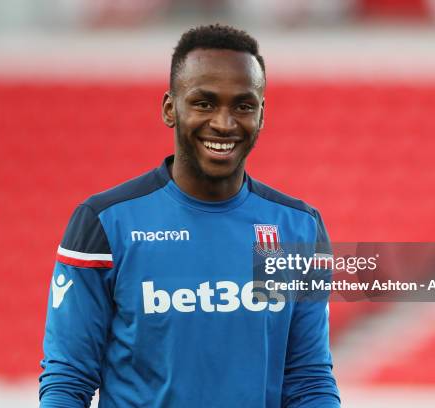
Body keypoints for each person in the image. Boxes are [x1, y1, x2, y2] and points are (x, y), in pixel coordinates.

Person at [39, 24, 340, 407]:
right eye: (204, 103)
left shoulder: (298, 228)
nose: (224, 123)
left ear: (262, 115)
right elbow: (68, 379)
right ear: (170, 108)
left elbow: (308, 380)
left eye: (244, 106)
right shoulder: (105, 223)